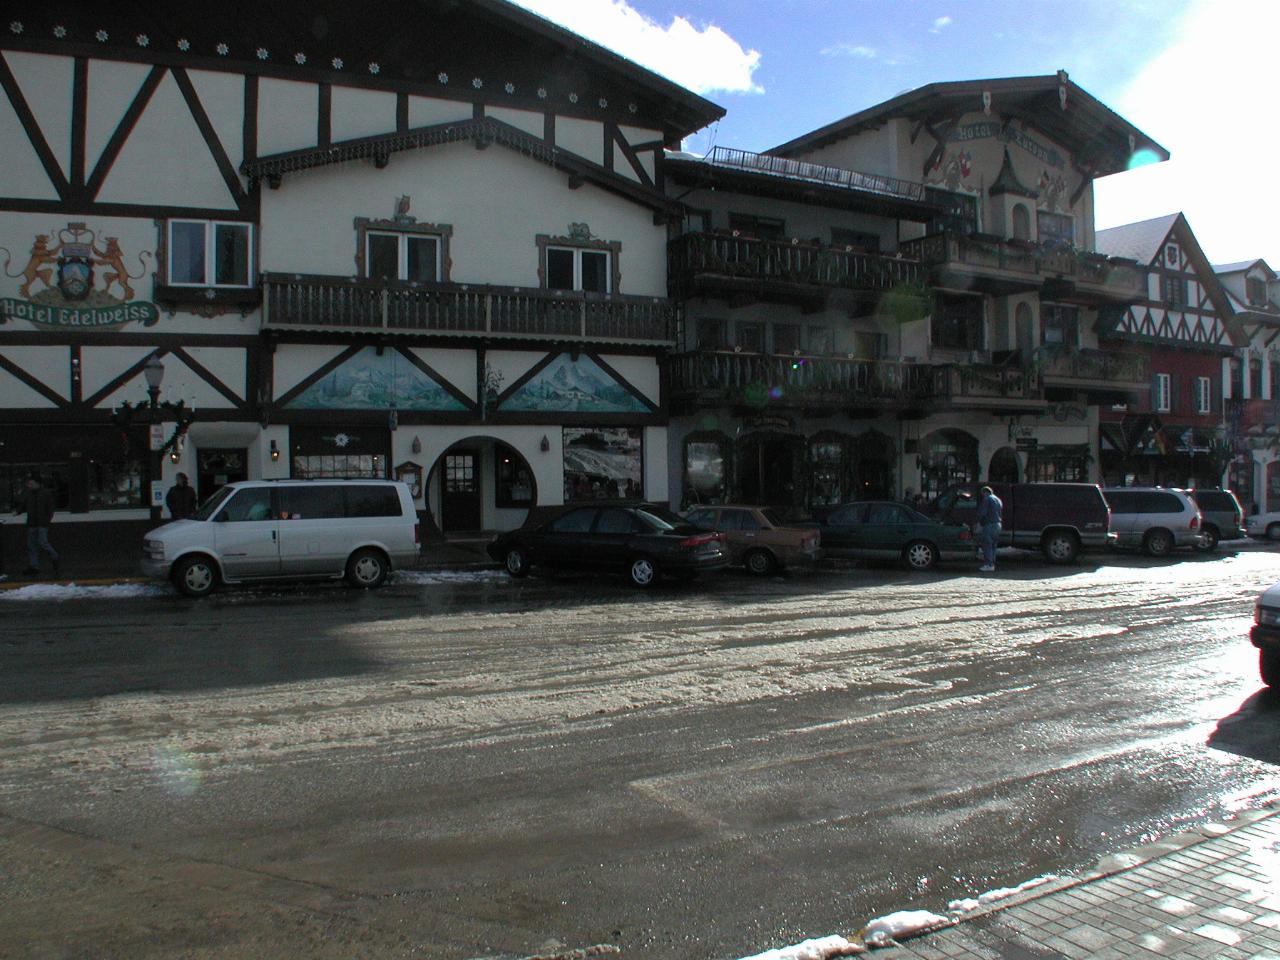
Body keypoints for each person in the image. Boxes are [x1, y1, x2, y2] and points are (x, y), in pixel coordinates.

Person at [21, 473, 59, 578]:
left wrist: (47, 520)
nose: (29, 485)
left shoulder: (45, 494)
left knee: (42, 543)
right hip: (33, 523)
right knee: (32, 545)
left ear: (38, 483)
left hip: (40, 523)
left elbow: (50, 508)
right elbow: (24, 505)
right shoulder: (31, 494)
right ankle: (35, 566)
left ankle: (54, 557)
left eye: (31, 483)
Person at [975, 484, 1003, 572]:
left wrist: (978, 521)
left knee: (987, 545)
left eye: (983, 494)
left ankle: (988, 564)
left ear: (985, 492)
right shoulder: (998, 500)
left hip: (989, 524)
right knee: (993, 545)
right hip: (998, 524)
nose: (983, 496)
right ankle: (992, 563)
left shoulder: (987, 499)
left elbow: (982, 513)